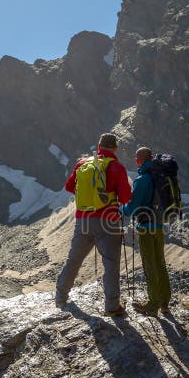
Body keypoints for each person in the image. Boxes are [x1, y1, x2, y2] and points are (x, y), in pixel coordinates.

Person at [55, 133, 132, 315]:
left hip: (83, 219)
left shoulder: (83, 163)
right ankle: (112, 306)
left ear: (99, 146)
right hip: (108, 221)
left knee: (74, 259)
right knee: (111, 263)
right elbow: (126, 197)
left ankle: (60, 296)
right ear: (115, 148)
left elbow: (68, 187)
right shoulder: (116, 167)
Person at [119, 146, 171, 315]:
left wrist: (122, 209)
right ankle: (164, 302)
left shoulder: (142, 180)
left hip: (145, 227)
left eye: (136, 158)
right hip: (159, 226)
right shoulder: (161, 175)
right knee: (160, 262)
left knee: (149, 264)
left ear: (139, 160)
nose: (135, 161)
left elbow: (133, 207)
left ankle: (153, 304)